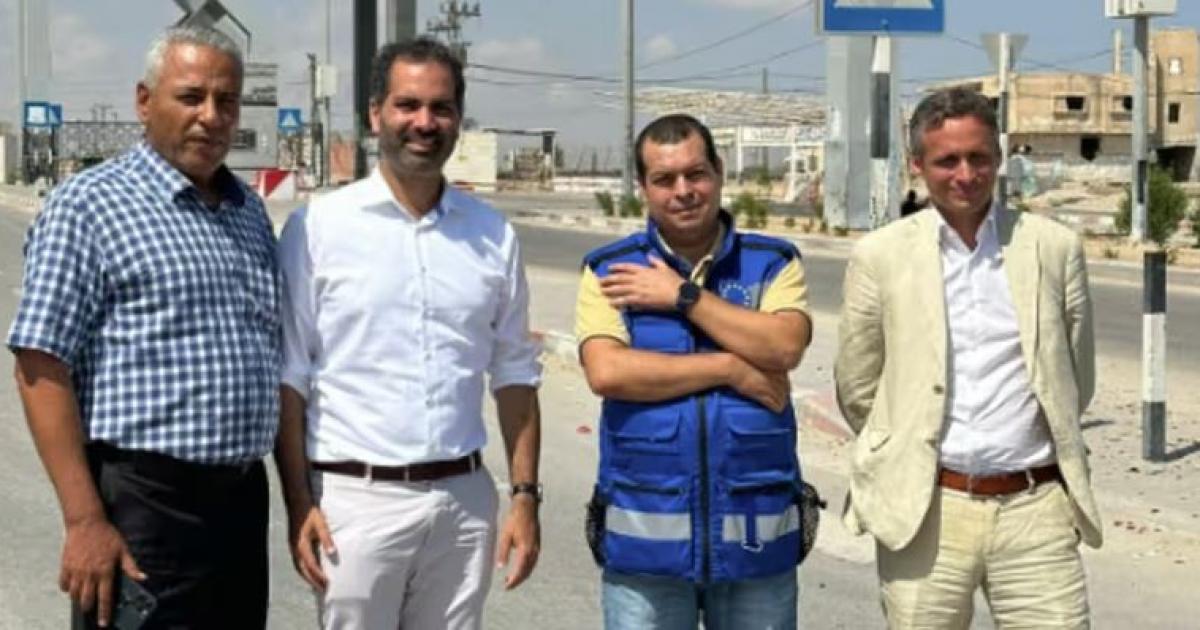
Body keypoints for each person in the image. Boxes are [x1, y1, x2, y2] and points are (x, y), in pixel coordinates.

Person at [7, 26, 279, 628]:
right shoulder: (90, 205)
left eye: (227, 100)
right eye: (191, 97)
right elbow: (39, 364)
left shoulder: (248, 212)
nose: (211, 116)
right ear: (144, 101)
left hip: (239, 504)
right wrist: (84, 520)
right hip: (144, 507)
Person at [274, 37, 542, 629]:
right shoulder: (318, 229)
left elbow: (515, 374)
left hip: (463, 504)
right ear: (376, 114)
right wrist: (298, 504)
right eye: (408, 105)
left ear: (458, 119)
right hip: (355, 503)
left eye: (441, 108)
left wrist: (525, 496)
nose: (424, 122)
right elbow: (290, 379)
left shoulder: (492, 235)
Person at [835, 86, 1100, 628]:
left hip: (1035, 508)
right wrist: (902, 445)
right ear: (917, 165)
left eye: (979, 158)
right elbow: (859, 386)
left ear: (998, 158)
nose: (965, 174)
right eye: (947, 160)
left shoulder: (1052, 247)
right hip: (927, 509)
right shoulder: (880, 256)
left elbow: (1074, 376)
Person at [575, 114, 814, 629]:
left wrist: (683, 297)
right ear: (643, 187)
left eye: (696, 174)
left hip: (755, 542)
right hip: (646, 549)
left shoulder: (772, 263)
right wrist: (728, 367)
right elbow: (608, 372)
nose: (683, 191)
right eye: (664, 179)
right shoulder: (611, 271)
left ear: (719, 172)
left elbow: (784, 345)